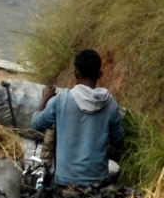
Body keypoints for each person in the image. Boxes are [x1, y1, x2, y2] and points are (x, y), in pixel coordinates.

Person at [31, 49, 124, 187]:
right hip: (98, 181)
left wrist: (45, 98)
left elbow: (36, 124)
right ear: (99, 74)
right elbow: (119, 141)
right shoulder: (110, 104)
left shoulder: (61, 100)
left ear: (76, 74)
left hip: (65, 181)